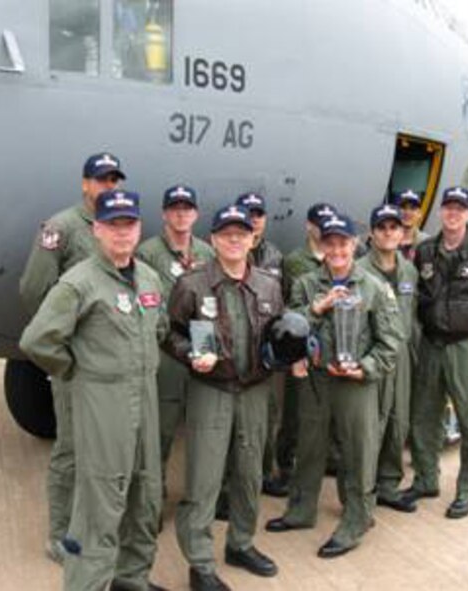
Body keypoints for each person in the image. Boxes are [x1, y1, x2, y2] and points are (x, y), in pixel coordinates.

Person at [20, 190, 167, 591]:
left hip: (145, 398)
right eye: (113, 225)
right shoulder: (78, 282)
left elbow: (160, 327)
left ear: (139, 228)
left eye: (129, 224)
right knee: (100, 504)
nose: (122, 233)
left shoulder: (150, 278)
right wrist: (75, 370)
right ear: (97, 229)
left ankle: (132, 578)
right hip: (104, 402)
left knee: (145, 493)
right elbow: (37, 340)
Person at [266, 214, 401, 559]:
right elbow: (290, 329)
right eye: (331, 243)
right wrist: (318, 307)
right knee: (309, 446)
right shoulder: (307, 284)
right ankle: (300, 510)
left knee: (357, 451)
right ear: (322, 246)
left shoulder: (372, 287)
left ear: (354, 245)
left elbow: (390, 341)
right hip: (316, 380)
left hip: (355, 384)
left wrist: (365, 369)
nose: (337, 249)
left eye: (344, 243)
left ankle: (356, 518)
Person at [165, 204, 284, 591]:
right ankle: (199, 564)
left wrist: (290, 353)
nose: (234, 240)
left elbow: (278, 333)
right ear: (213, 240)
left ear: (253, 239)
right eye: (226, 234)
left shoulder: (268, 284)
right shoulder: (193, 284)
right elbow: (170, 332)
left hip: (254, 390)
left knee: (250, 473)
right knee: (204, 478)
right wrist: (189, 355)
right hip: (211, 389)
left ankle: (241, 543)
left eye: (242, 233)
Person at [19, 151, 125, 564]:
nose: (108, 187)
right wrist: (61, 348)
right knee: (69, 450)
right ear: (85, 184)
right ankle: (60, 534)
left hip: (104, 365)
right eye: (101, 180)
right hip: (75, 364)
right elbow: (34, 291)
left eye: (114, 180)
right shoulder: (61, 228)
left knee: (99, 449)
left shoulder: (114, 228)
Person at [397, 186, 468, 518]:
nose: (453, 213)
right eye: (448, 206)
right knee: (424, 416)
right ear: (440, 212)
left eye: (460, 208)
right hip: (432, 343)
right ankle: (425, 479)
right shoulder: (426, 251)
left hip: (467, 345)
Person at [136, 184, 215, 493]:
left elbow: (211, 304)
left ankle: (199, 497)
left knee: (202, 427)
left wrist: (207, 350)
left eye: (187, 208)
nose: (181, 214)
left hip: (200, 345)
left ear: (195, 214)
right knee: (161, 429)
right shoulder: (148, 253)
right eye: (175, 208)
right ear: (164, 214)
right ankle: (152, 498)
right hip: (165, 351)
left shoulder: (207, 252)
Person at [267, 202, 338, 496]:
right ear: (309, 226)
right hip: (303, 343)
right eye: (318, 224)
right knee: (295, 411)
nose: (323, 231)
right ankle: (286, 465)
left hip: (331, 346)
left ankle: (329, 458)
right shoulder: (295, 261)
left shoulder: (343, 257)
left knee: (329, 409)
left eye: (328, 225)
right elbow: (286, 302)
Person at [357, 204, 418, 511]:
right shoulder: (360, 271)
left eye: (394, 227)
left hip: (402, 357)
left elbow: (413, 317)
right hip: (373, 354)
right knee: (371, 426)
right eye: (381, 227)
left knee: (398, 420)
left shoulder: (409, 271)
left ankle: (389, 484)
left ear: (402, 232)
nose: (388, 233)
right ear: (371, 233)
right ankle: (362, 490)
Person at [234, 192, 285, 496]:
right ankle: (229, 486)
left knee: (267, 414)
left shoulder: (274, 256)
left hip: (263, 354)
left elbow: (281, 303)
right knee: (233, 425)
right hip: (235, 349)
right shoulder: (227, 249)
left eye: (258, 214)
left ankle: (264, 474)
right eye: (248, 213)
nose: (254, 219)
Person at [395, 189, 429, 262]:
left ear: (419, 214)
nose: (407, 212)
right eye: (403, 208)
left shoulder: (428, 243)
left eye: (412, 208)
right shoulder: (385, 241)